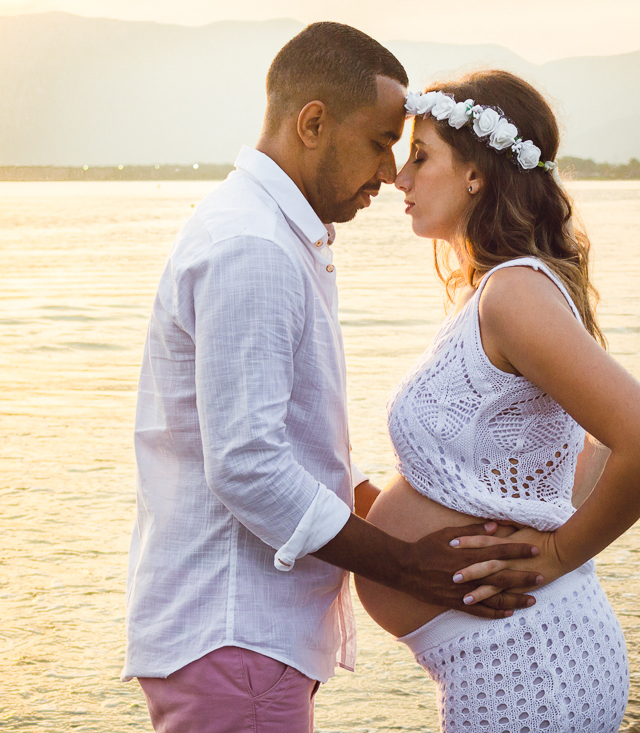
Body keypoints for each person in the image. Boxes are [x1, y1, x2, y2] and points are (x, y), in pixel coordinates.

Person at [122, 25, 548, 733]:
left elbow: (296, 445)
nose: (389, 171)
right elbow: (248, 467)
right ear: (313, 122)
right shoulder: (251, 248)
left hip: (247, 642)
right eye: (381, 141)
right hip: (236, 632)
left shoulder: (276, 235)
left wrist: (432, 524)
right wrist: (408, 564)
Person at [355, 70, 640, 733]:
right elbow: (580, 449)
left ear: (476, 173)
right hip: (517, 655)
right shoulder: (501, 294)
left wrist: (561, 550)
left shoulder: (513, 294)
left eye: (421, 156)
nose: (400, 177)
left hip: (530, 665)